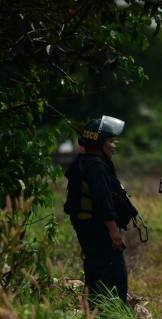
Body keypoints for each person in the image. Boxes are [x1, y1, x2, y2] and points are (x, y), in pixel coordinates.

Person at [64, 115, 130, 304]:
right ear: (100, 143)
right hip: (99, 229)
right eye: (110, 141)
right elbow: (103, 202)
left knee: (96, 272)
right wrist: (113, 231)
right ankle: (112, 317)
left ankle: (97, 313)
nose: (114, 145)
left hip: (88, 227)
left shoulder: (85, 161)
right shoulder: (96, 167)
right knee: (115, 274)